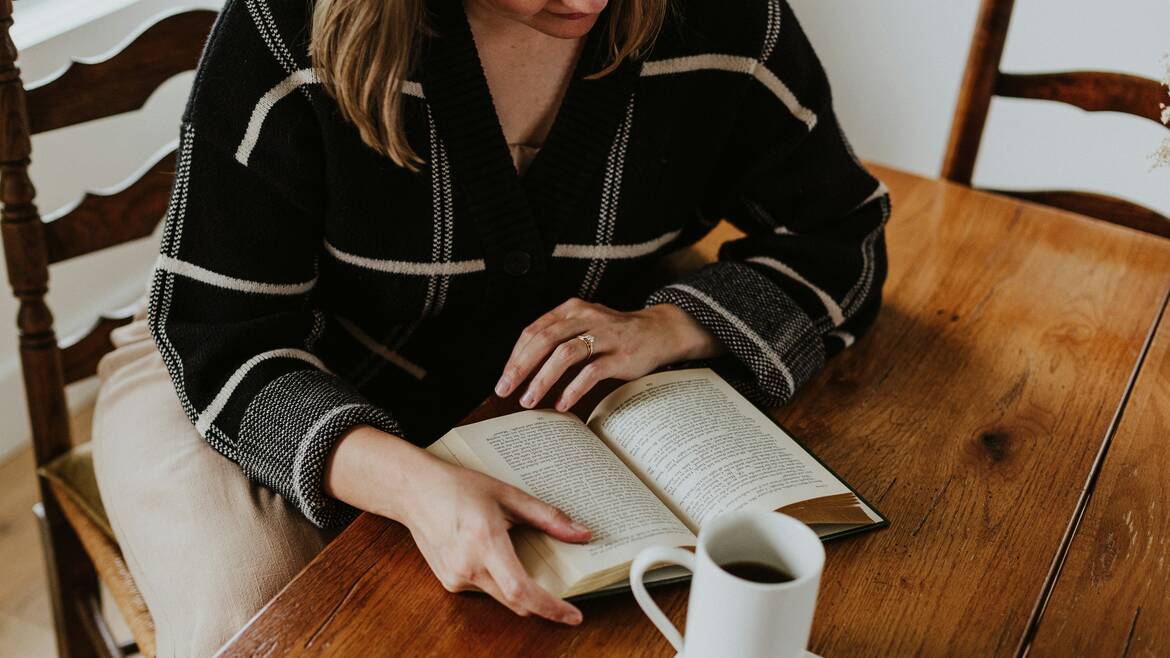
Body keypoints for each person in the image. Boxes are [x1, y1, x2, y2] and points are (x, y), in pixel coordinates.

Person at [91, 0, 889, 654]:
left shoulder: (728, 23)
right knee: (268, 632)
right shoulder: (286, 25)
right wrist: (412, 484)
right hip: (249, 369)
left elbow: (840, 234)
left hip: (531, 417)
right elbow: (221, 331)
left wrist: (673, 324)